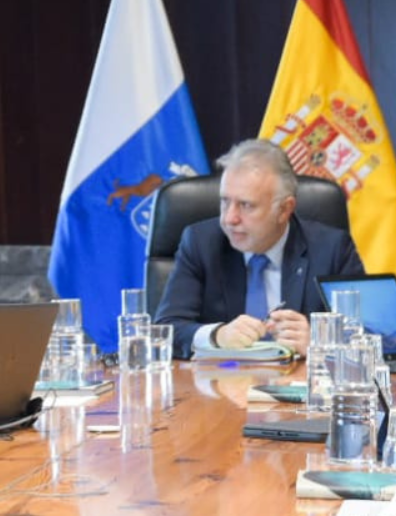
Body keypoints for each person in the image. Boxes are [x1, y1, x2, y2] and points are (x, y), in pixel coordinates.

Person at [153, 139, 363, 359]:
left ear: (284, 209)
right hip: (221, 385)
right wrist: (217, 336)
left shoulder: (332, 249)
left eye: (246, 205)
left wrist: (321, 342)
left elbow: (374, 335)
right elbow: (166, 330)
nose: (229, 218)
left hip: (298, 388)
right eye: (225, 201)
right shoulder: (201, 242)